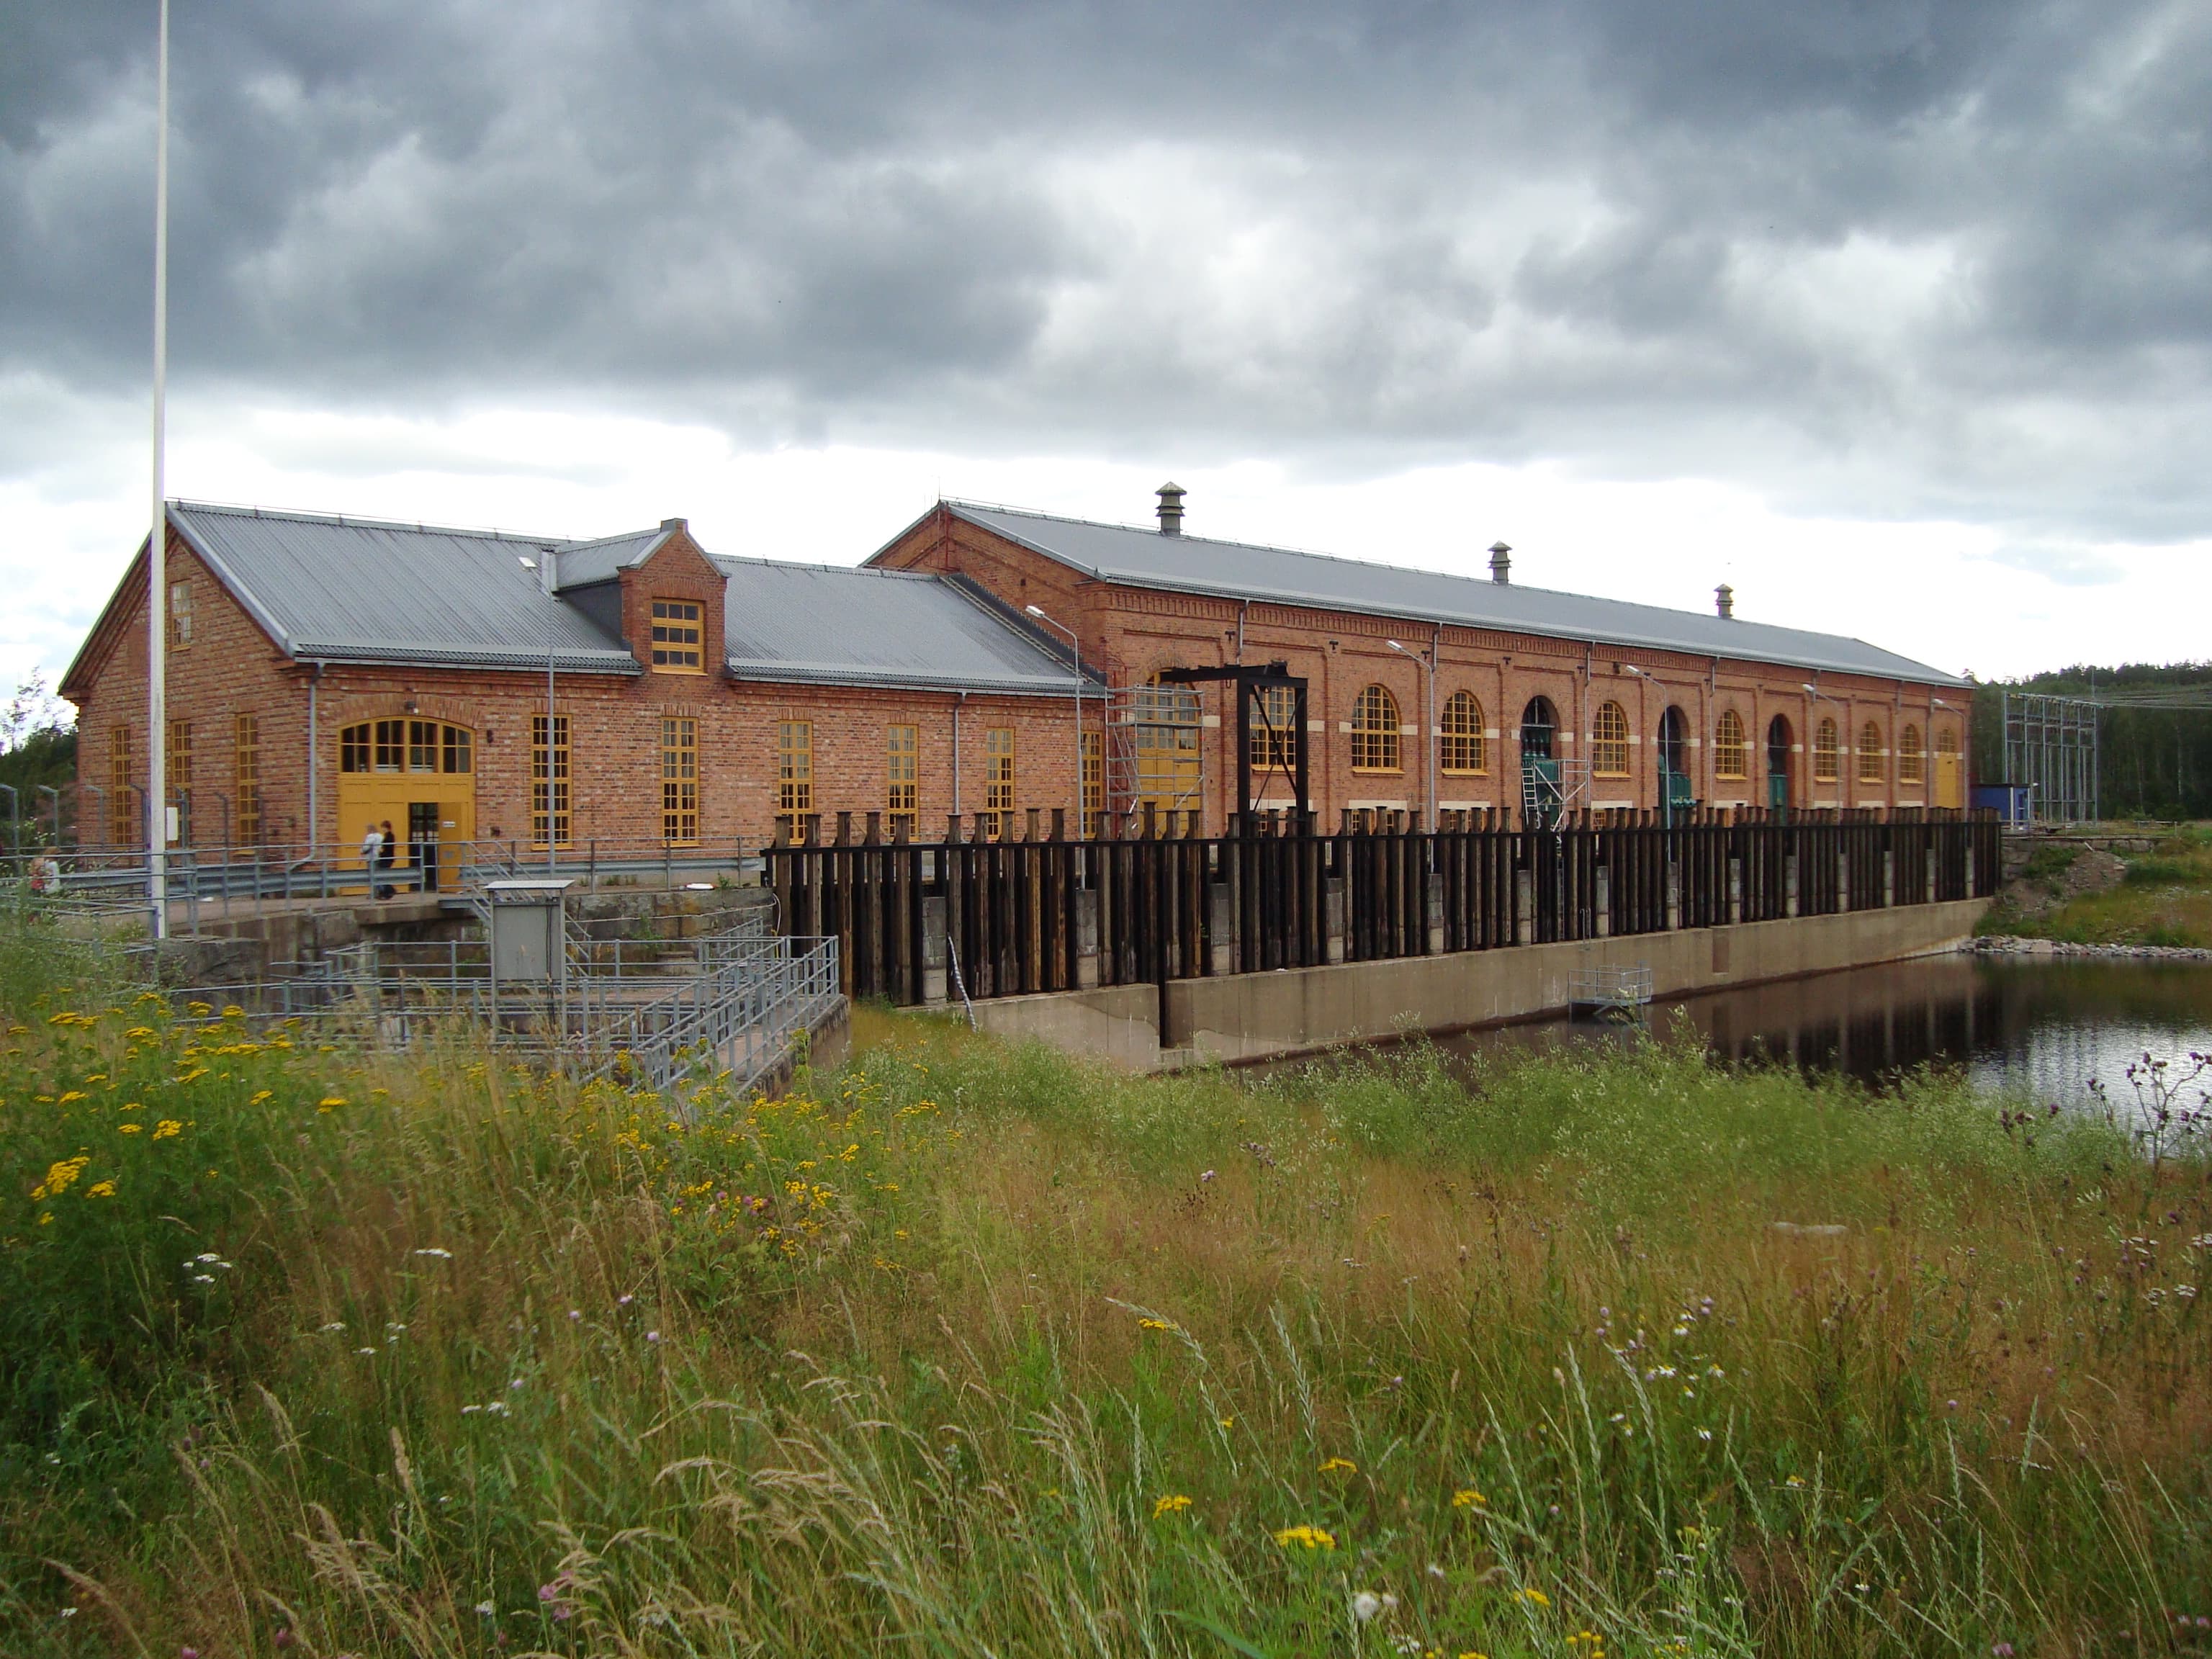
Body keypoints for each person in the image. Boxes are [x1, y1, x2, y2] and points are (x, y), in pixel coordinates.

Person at [377, 819, 398, 899]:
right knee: (384, 875)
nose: (383, 829)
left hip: (387, 858)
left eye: (383, 827)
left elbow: (388, 848)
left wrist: (381, 851)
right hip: (386, 857)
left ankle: (389, 891)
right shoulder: (388, 836)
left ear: (387, 827)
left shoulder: (390, 836)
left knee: (384, 875)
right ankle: (387, 892)